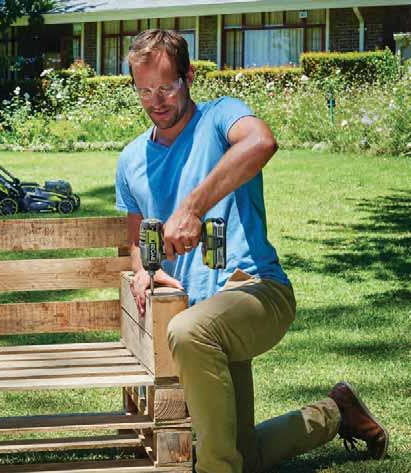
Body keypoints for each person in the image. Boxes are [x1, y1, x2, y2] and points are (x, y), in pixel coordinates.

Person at [115, 29, 388, 473]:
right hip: (202, 317)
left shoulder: (221, 117)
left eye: (166, 87)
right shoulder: (131, 160)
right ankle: (337, 411)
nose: (156, 100)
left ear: (189, 78)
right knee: (246, 455)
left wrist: (192, 208)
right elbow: (138, 238)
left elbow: (261, 143)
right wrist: (145, 268)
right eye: (144, 90)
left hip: (257, 291)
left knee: (188, 333)